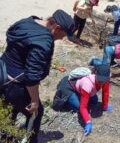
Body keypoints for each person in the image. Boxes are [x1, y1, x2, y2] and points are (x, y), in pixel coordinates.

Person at [0, 9, 74, 143]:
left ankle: (7, 136)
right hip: (15, 84)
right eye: (63, 35)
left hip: (2, 73)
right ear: (57, 28)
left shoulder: (28, 21)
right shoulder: (43, 42)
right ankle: (30, 140)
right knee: (36, 112)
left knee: (11, 109)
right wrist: (34, 100)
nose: (62, 38)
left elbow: (11, 37)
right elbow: (32, 77)